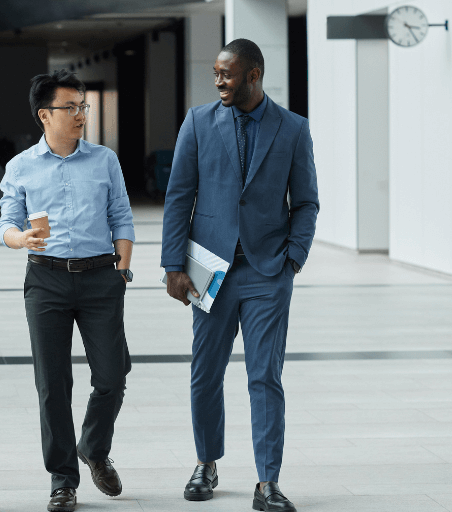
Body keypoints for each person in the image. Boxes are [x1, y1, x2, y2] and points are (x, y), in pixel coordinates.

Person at [161, 39, 319, 512]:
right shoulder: (197, 122)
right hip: (210, 271)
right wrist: (173, 264)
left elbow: (307, 201)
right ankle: (206, 462)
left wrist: (293, 258)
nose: (218, 81)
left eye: (227, 74)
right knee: (205, 374)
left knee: (264, 377)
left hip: (268, 271)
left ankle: (267, 482)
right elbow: (178, 196)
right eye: (215, 73)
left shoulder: (292, 128)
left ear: (253, 74)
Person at [0, 69, 135, 512]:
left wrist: (123, 271)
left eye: (83, 106)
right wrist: (20, 239)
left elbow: (122, 216)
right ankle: (63, 479)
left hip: (101, 277)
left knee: (113, 375)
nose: (80, 115)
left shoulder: (104, 160)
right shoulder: (20, 166)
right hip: (46, 279)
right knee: (52, 382)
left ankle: (93, 447)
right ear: (45, 114)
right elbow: (7, 223)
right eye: (71, 107)